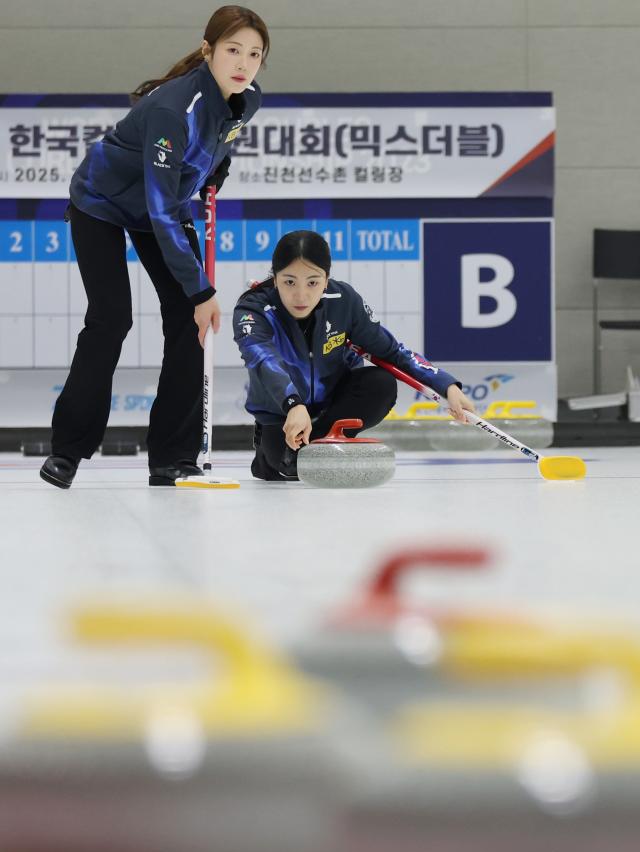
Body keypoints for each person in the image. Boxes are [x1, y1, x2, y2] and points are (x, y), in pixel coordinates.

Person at [40, 5, 269, 489]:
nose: (243, 63)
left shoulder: (248, 100)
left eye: (254, 53)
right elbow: (161, 209)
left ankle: (172, 458)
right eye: (232, 50)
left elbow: (218, 144)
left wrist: (215, 174)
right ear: (208, 50)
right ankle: (68, 451)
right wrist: (202, 289)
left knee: (189, 322)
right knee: (111, 318)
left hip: (161, 203)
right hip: (103, 201)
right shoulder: (172, 108)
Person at [232, 230, 476, 481]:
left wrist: (446, 385)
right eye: (289, 282)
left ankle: (321, 442)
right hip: (282, 412)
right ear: (275, 279)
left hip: (332, 405)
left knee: (379, 383)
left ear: (326, 280)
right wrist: (293, 404)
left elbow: (392, 351)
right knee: (283, 467)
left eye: (313, 282)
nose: (301, 295)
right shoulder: (253, 310)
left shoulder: (344, 300)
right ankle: (273, 454)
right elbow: (264, 361)